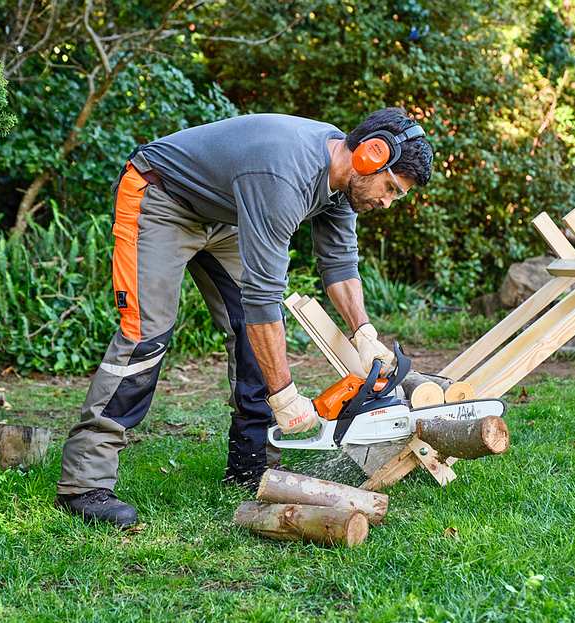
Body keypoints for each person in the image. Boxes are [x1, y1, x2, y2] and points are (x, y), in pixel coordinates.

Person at [55, 107, 434, 527]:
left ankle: (251, 466)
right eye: (392, 188)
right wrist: (285, 396)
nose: (387, 201)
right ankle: (84, 483)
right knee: (146, 335)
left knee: (253, 337)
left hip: (225, 214)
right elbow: (262, 298)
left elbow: (340, 263)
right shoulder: (284, 175)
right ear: (371, 155)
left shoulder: (342, 184)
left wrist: (364, 333)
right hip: (160, 196)